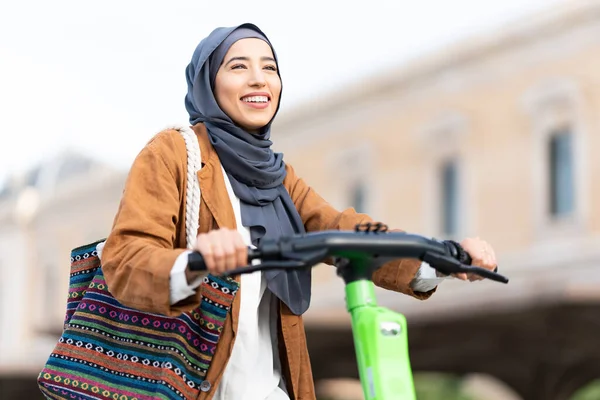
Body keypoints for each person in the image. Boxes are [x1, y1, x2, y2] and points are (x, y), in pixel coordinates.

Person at [100, 23, 498, 400]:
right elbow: (125, 258)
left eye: (269, 67)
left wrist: (438, 257)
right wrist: (194, 261)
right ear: (208, 82)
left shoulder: (278, 178)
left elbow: (341, 228)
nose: (259, 79)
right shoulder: (172, 155)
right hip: (188, 389)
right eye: (238, 66)